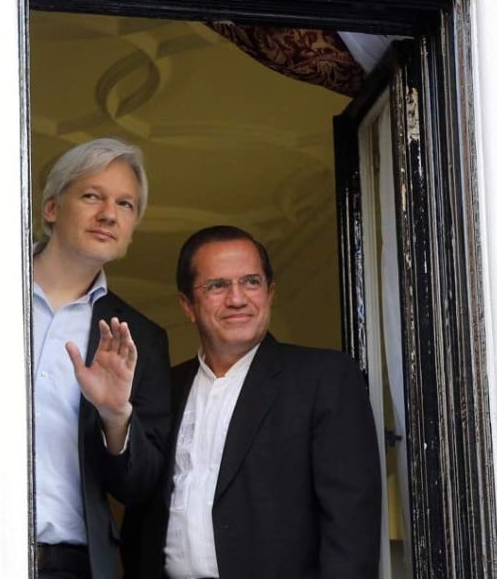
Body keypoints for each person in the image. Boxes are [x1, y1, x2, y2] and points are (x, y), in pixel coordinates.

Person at [121, 225, 381, 579]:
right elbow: (138, 508)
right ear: (187, 305)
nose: (237, 298)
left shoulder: (324, 378)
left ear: (270, 292)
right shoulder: (166, 387)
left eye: (251, 282)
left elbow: (351, 528)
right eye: (217, 286)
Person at [32, 138, 171, 579]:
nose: (109, 213)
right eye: (92, 195)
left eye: (126, 204)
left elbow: (140, 488)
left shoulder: (140, 338)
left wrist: (116, 416)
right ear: (52, 207)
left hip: (68, 562)